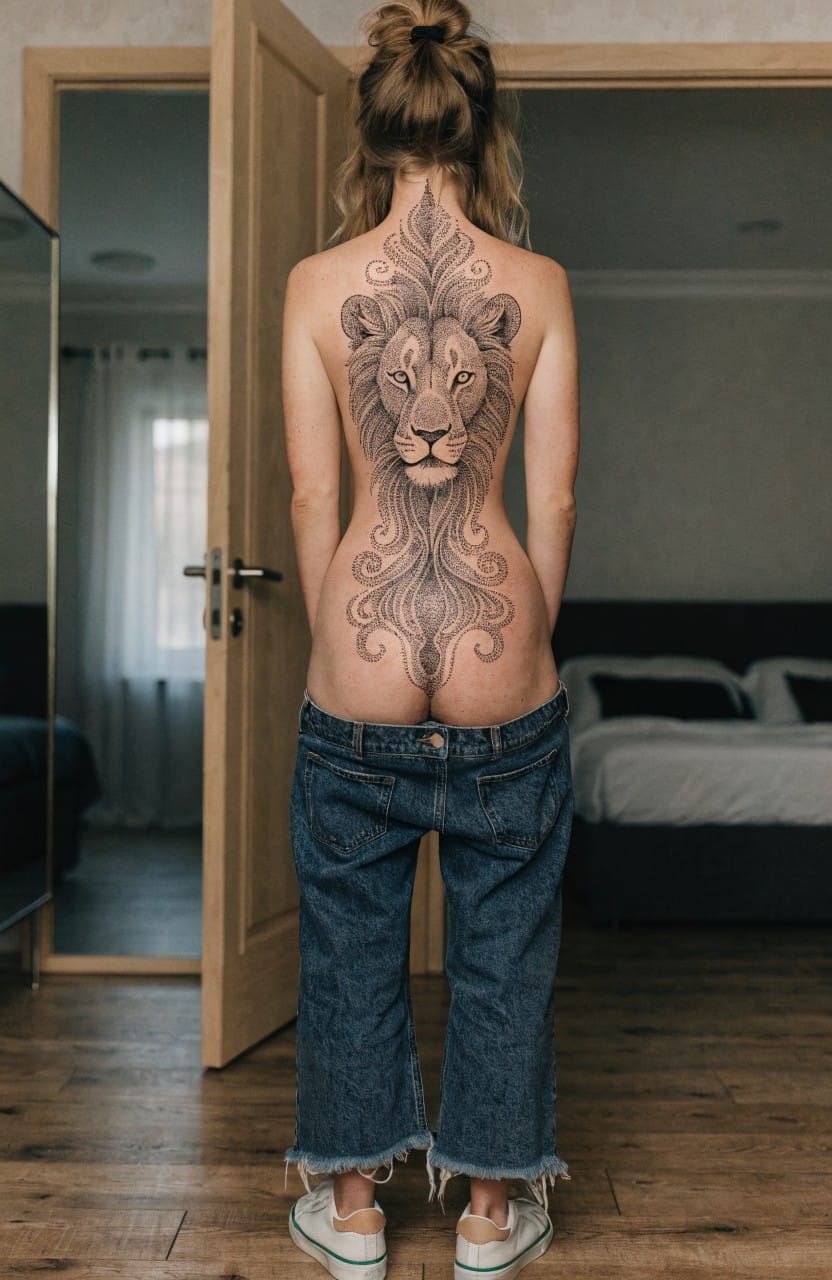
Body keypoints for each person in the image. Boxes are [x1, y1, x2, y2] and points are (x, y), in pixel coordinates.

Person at [282, 3, 579, 1276]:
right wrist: (519, 643)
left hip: (357, 667)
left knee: (347, 945)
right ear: (480, 128)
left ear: (371, 132)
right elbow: (552, 501)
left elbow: (313, 497)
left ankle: (352, 1211)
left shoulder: (315, 285)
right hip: (500, 664)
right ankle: (490, 1215)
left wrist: (337, 644)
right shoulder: (538, 285)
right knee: (503, 950)